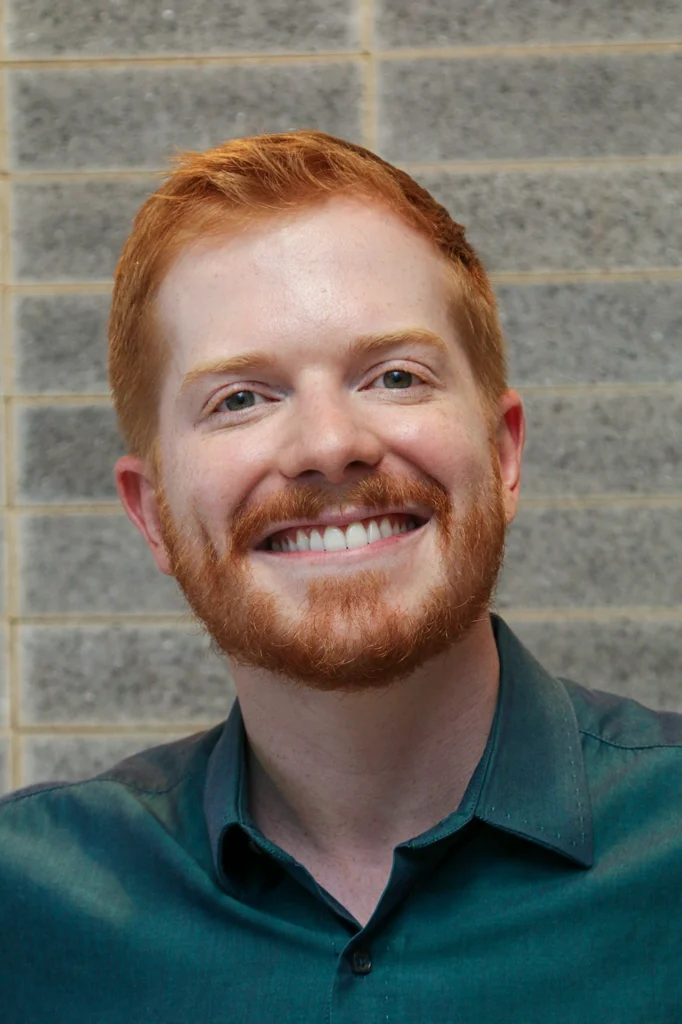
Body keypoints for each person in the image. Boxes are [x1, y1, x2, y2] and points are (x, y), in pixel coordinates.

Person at [1, 130, 680, 1022]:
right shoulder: (24, 910)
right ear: (153, 514)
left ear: (504, 454)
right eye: (240, 399)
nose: (329, 445)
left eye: (394, 376)